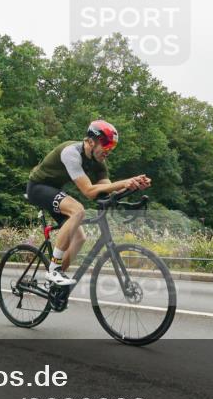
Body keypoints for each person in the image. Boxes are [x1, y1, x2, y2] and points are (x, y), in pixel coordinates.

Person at [25, 120, 151, 285]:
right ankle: (53, 269)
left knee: (80, 238)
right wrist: (124, 182)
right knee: (78, 210)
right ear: (91, 142)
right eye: (106, 147)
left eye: (112, 148)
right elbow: (89, 191)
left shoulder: (99, 161)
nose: (108, 152)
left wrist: (132, 186)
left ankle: (54, 286)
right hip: (37, 188)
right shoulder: (71, 153)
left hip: (55, 190)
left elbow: (106, 190)